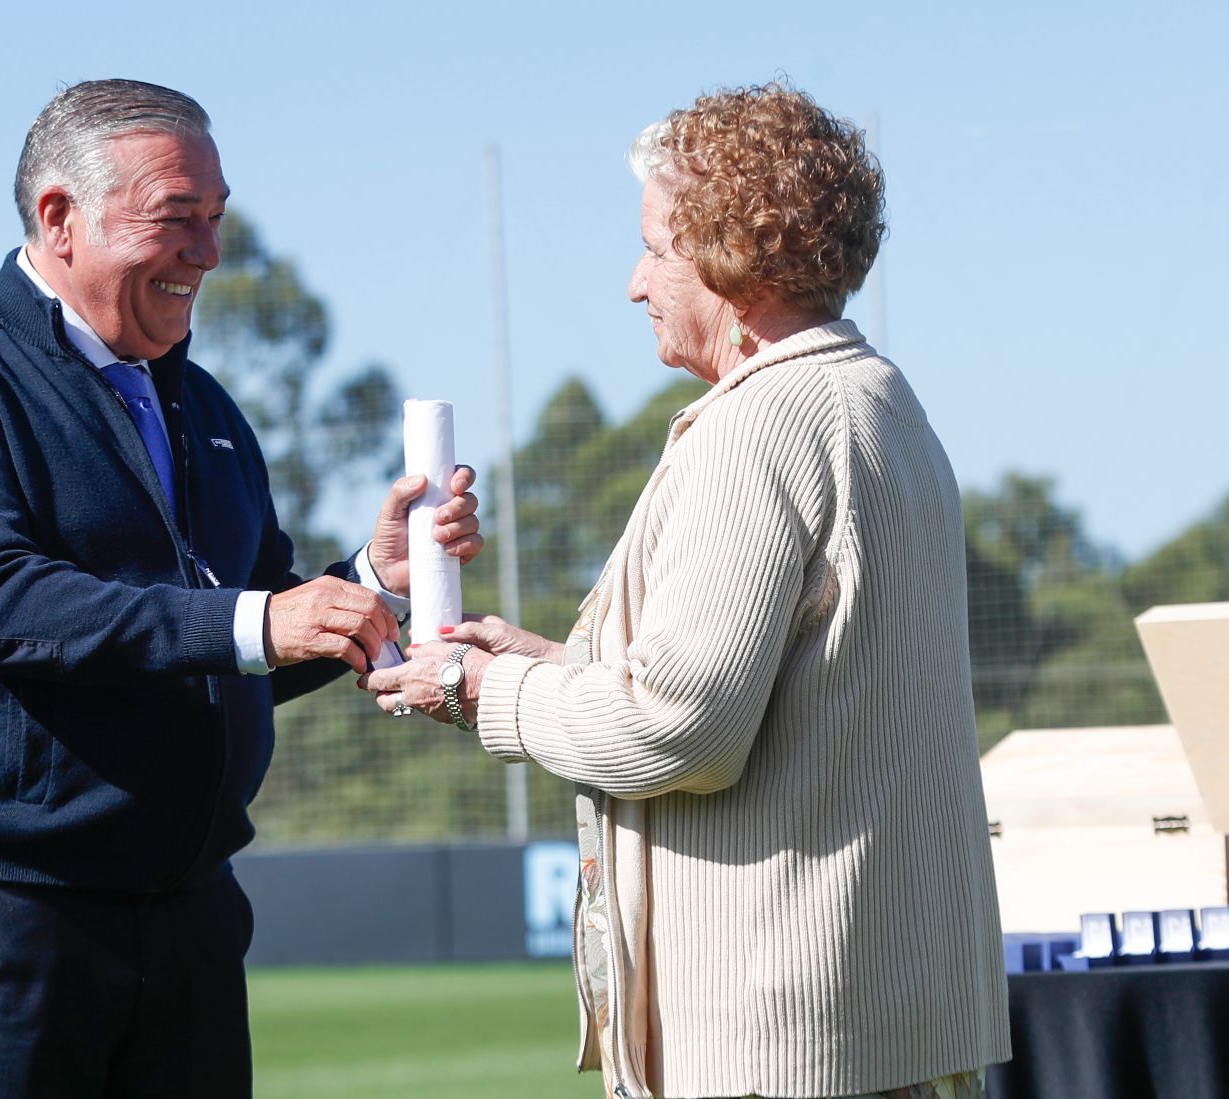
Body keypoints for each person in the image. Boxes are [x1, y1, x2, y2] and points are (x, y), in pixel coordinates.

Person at [366, 82, 1009, 1099]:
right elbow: (790, 686)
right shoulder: (882, 403)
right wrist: (542, 666)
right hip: (875, 1019)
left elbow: (680, 728)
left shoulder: (759, 425)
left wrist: (476, 690)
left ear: (729, 253)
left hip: (772, 1036)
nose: (635, 282)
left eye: (657, 247)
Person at [0, 79, 480, 1099]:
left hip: (187, 908)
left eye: (216, 220)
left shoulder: (206, 403)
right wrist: (260, 619)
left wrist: (372, 585)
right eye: (176, 220)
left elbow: (229, 645)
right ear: (59, 218)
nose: (209, 253)